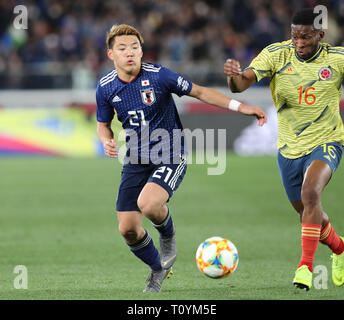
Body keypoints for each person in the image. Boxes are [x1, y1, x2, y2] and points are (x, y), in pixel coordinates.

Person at [96, 24, 267, 293]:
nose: (130, 52)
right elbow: (102, 123)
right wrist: (105, 139)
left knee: (149, 204)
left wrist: (241, 106)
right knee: (127, 228)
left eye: (135, 47)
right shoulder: (105, 87)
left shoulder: (159, 76)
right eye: (122, 48)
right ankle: (158, 268)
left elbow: (199, 91)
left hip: (169, 154)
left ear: (142, 51)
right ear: (110, 54)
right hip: (136, 159)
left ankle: (167, 233)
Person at [224, 8, 344, 291]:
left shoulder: (337, 59)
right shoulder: (277, 54)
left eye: (306, 38)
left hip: (327, 141)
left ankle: (305, 267)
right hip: (289, 147)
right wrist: (233, 76)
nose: (299, 43)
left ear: (320, 36)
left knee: (311, 192)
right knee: (307, 212)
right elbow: (241, 85)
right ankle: (339, 249)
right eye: (294, 37)